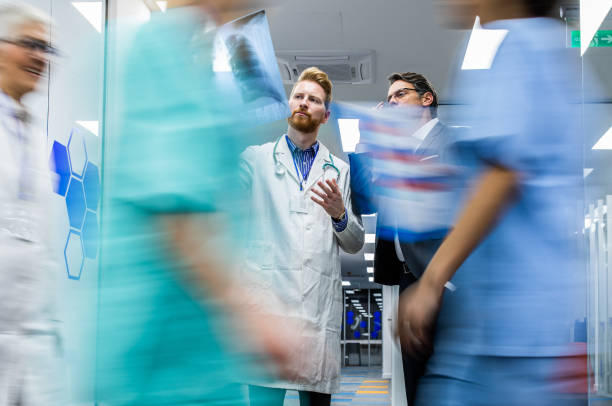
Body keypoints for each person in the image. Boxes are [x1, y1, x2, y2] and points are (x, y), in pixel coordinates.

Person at [96, 1, 296, 405]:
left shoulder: (199, 53)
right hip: (162, 341)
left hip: (201, 349)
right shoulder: (163, 47)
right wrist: (247, 312)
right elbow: (173, 210)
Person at [398, 0, 587, 404]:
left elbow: (503, 174)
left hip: (502, 328)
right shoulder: (551, 47)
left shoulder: (513, 46)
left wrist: (431, 280)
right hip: (527, 320)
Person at [241, 67, 365, 406]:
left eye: (314, 100)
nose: (304, 103)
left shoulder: (339, 170)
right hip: (269, 308)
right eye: (299, 96)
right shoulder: (255, 159)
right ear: (289, 105)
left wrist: (340, 214)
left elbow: (354, 242)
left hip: (315, 310)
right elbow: (219, 189)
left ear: (325, 116)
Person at [0, 3, 66, 405]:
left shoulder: (32, 134)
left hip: (30, 348)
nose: (41, 57)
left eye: (48, 49)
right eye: (31, 44)